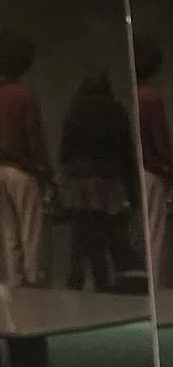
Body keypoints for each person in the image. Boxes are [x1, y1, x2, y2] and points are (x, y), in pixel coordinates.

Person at [57, 73, 142, 292]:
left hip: (80, 180)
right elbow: (127, 151)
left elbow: (65, 149)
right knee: (110, 227)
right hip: (108, 178)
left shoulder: (75, 109)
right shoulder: (115, 110)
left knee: (82, 229)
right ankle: (107, 279)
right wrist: (132, 190)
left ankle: (78, 277)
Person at [0, 32, 50, 288]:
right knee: (32, 233)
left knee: (10, 236)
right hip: (21, 169)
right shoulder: (23, 95)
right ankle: (34, 285)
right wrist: (45, 172)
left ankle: (15, 285)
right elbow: (35, 139)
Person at [132, 35, 173, 285]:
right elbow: (161, 139)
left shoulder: (131, 96)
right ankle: (158, 284)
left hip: (136, 170)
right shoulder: (151, 97)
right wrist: (170, 170)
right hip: (152, 171)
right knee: (156, 233)